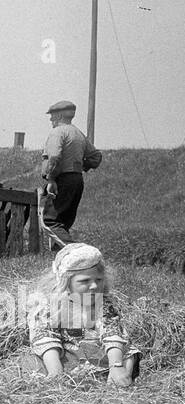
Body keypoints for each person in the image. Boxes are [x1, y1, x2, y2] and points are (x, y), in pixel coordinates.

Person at [25, 243, 139, 386]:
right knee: (34, 360)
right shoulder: (50, 305)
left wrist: (115, 365)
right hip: (62, 353)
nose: (94, 286)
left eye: (98, 280)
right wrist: (56, 372)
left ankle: (118, 375)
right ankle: (58, 375)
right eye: (84, 281)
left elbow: (112, 332)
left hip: (98, 351)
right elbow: (46, 337)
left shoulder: (102, 303)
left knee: (127, 351)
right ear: (65, 282)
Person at [40, 100, 103, 250]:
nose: (50, 120)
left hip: (62, 180)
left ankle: (76, 252)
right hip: (77, 179)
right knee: (63, 223)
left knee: (50, 222)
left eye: (52, 116)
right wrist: (80, 165)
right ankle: (61, 258)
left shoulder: (57, 132)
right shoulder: (78, 133)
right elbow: (96, 157)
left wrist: (51, 179)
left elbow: (54, 156)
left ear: (60, 116)